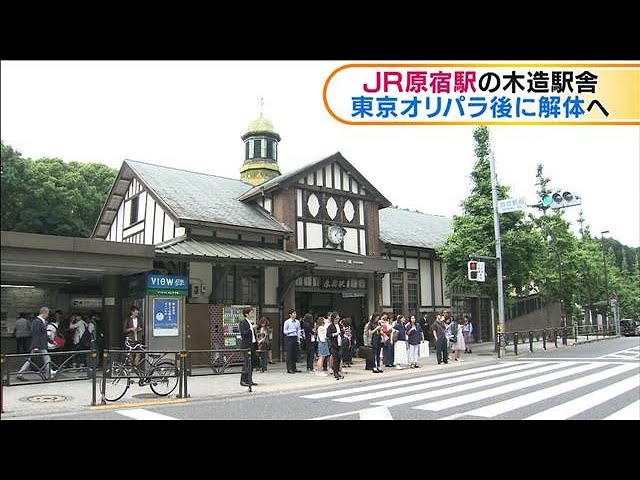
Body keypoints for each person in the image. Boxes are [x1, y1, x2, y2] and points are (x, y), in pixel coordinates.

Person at [17, 307, 54, 380]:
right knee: (47, 359)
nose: (47, 315)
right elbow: (37, 334)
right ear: (44, 313)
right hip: (39, 345)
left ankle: (20, 373)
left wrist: (51, 341)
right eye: (47, 314)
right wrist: (36, 346)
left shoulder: (39, 321)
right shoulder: (37, 321)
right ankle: (48, 375)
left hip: (39, 344)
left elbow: (43, 334)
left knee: (30, 360)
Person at [239, 307, 258, 386]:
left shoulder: (251, 322)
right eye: (251, 312)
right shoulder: (243, 323)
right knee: (247, 363)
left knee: (252, 363)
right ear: (246, 314)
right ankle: (243, 380)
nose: (252, 314)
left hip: (252, 344)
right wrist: (251, 329)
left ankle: (249, 379)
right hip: (246, 346)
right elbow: (243, 334)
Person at [283, 309, 301, 374]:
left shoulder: (297, 322)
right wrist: (292, 331)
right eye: (293, 313)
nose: (295, 315)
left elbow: (298, 330)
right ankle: (289, 369)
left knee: (294, 353)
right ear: (290, 315)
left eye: (295, 313)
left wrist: (298, 339)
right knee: (289, 353)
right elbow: (285, 331)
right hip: (289, 338)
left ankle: (294, 368)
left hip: (295, 337)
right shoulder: (287, 322)